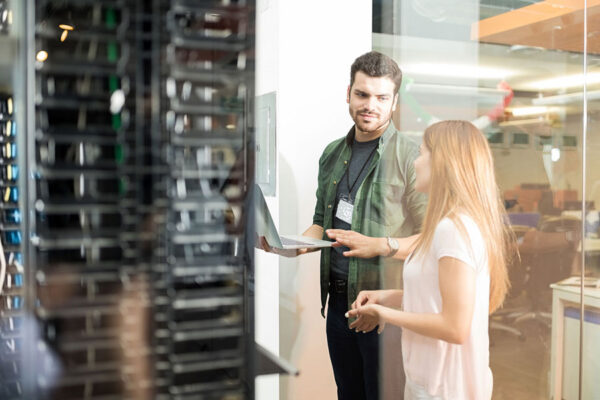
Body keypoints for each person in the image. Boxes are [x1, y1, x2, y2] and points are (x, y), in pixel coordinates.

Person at [258, 51, 427, 400]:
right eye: (363, 95)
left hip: (385, 310)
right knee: (348, 394)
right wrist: (290, 246)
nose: (371, 105)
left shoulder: (411, 157)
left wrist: (381, 245)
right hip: (338, 306)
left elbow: (431, 237)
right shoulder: (332, 154)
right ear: (348, 92)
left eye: (382, 98)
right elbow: (322, 223)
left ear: (394, 103)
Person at [327, 120, 515, 400]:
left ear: (443, 163)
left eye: (422, 153)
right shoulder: (448, 225)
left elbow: (455, 327)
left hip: (445, 389)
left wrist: (384, 315)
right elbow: (437, 296)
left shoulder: (453, 230)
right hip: (429, 382)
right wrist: (387, 297)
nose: (415, 163)